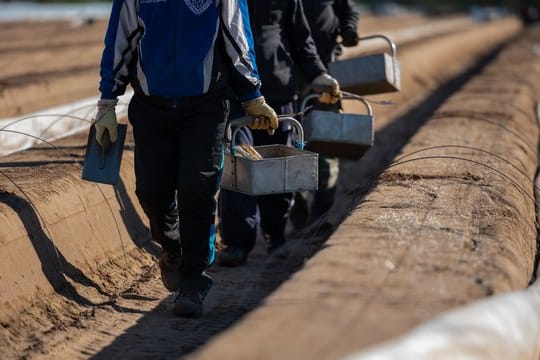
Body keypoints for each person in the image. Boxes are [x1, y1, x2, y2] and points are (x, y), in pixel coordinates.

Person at [92, 0, 278, 318]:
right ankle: (173, 249)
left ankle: (194, 279)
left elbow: (237, 35)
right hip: (152, 105)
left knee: (198, 188)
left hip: (205, 105)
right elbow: (120, 38)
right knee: (151, 189)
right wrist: (108, 102)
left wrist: (252, 96)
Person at [216, 0, 341, 267]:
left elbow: (300, 37)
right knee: (239, 167)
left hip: (279, 89)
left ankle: (276, 234)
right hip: (236, 94)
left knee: (279, 171)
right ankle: (237, 243)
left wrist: (319, 74)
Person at [289, 0, 359, 233]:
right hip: (289, 76)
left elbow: (348, 11)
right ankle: (296, 215)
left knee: (325, 148)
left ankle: (321, 215)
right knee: (292, 148)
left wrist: (349, 29)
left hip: (326, 75)